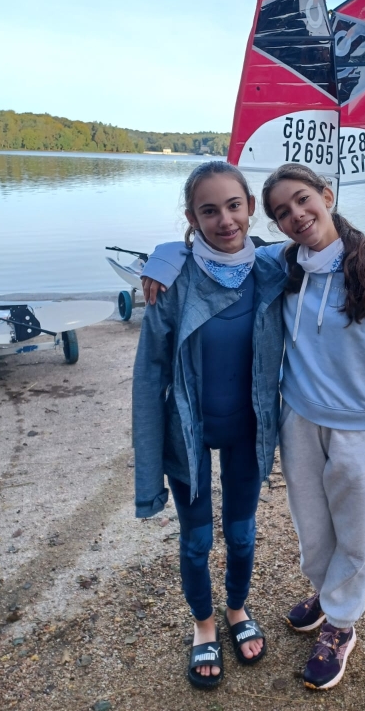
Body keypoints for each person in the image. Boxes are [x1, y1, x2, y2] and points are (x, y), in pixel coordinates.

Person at [141, 162, 365, 691]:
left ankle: (340, 625)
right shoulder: (284, 265)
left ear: (326, 195)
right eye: (283, 211)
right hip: (298, 422)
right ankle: (305, 601)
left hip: (356, 427)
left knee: (352, 534)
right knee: (312, 530)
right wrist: (165, 254)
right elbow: (218, 251)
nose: (296, 215)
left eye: (303, 200)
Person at [132, 161, 286, 690]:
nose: (225, 220)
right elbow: (148, 375)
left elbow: (326, 244)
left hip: (247, 429)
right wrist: (166, 252)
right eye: (209, 210)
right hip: (189, 431)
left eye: (234, 205)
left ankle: (237, 609)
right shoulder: (170, 281)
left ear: (250, 206)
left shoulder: (272, 268)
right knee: (196, 541)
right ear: (191, 218)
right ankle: (203, 624)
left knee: (242, 534)